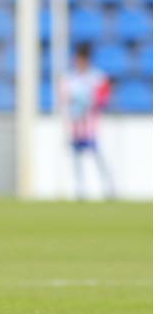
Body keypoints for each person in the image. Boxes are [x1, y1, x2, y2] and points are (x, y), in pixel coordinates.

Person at [61, 43, 116, 200]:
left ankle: (108, 188)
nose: (78, 62)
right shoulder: (69, 78)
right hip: (76, 126)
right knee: (77, 158)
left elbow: (104, 96)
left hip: (91, 127)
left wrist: (93, 102)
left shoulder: (96, 77)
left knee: (98, 158)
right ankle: (80, 189)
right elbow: (64, 98)